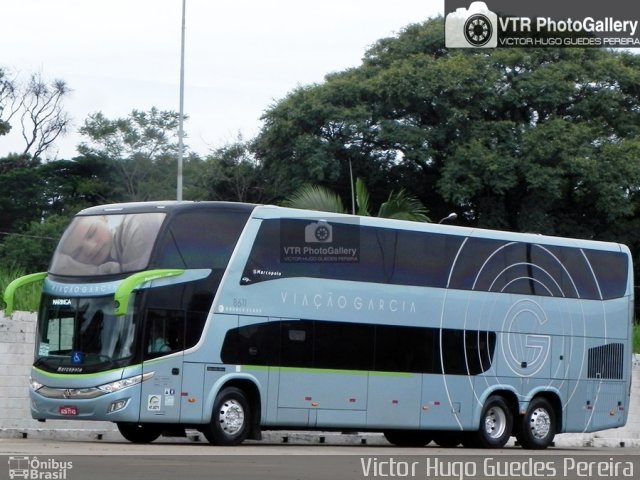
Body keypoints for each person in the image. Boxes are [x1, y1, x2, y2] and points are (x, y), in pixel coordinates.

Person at [50, 213, 164, 275]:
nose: (91, 248)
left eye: (91, 233)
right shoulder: (113, 251)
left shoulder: (137, 228)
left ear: (103, 217)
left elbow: (134, 282)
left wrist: (89, 272)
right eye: (78, 252)